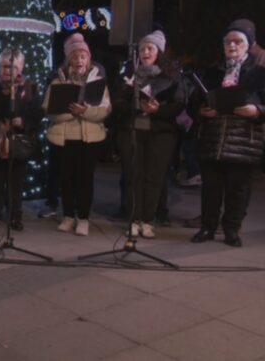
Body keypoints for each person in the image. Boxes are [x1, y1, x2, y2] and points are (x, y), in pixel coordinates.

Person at [189, 20, 265, 247]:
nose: (232, 46)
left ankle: (231, 230)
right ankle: (207, 227)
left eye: (238, 41)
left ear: (248, 45)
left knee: (237, 190)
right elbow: (193, 102)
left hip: (244, 141)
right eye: (228, 42)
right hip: (213, 140)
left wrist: (257, 110)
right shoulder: (212, 72)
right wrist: (201, 110)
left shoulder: (259, 73)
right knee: (210, 188)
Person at [113, 30, 185, 238]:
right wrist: (135, 104)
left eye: (150, 48)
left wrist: (158, 110)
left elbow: (179, 105)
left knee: (153, 177)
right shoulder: (129, 75)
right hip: (132, 130)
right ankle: (133, 219)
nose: (145, 52)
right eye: (142, 48)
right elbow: (117, 104)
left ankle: (147, 219)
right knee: (133, 176)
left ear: (159, 52)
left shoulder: (172, 76)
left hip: (160, 133)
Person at [42, 33, 111, 236]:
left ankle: (83, 218)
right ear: (68, 59)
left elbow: (105, 110)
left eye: (83, 56)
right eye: (75, 57)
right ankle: (68, 216)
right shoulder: (57, 82)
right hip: (64, 137)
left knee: (85, 180)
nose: (79, 60)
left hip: (89, 138)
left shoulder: (98, 82)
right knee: (66, 179)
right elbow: (48, 110)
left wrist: (85, 112)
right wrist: (70, 113)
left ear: (88, 58)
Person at [0, 49, 43, 230]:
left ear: (20, 68)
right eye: (4, 66)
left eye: (12, 67)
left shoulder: (29, 87)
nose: (7, 71)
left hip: (18, 142)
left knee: (16, 183)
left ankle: (15, 216)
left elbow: (37, 114)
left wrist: (24, 122)